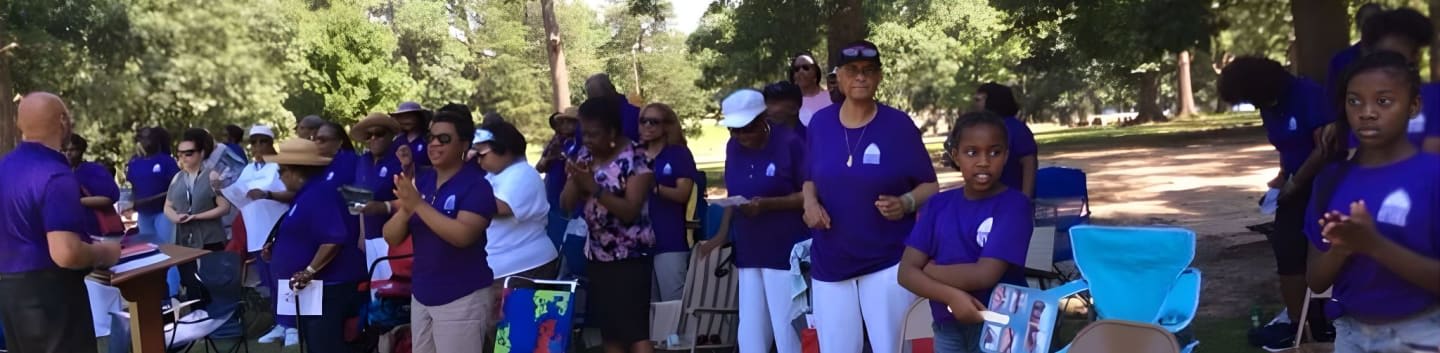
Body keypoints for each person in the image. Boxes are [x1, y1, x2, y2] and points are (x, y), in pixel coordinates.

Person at [802, 40, 940, 353]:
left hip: (887, 260)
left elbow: (930, 186)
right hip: (831, 260)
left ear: (879, 77)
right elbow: (809, 177)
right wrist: (810, 204)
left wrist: (905, 203)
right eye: (852, 70)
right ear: (838, 77)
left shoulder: (898, 125)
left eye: (868, 70)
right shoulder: (820, 124)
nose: (861, 77)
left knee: (892, 347)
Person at [1305, 51, 1440, 353]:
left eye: (1383, 101)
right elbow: (1315, 281)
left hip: (1423, 335)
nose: (1366, 112)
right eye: (1354, 101)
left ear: (1414, 105)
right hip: (1351, 335)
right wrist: (1340, 249)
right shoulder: (1330, 181)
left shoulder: (1433, 176)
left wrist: (1374, 245)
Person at [1218, 56, 1336, 349]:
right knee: (1286, 248)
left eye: (1249, 97)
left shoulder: (1308, 95)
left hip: (1325, 185)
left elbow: (1324, 149)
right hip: (1294, 185)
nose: (1252, 104)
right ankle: (1298, 325)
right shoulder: (1268, 105)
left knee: (1315, 250)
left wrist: (1296, 183)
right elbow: (1285, 145)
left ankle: (1324, 321)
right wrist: (1282, 178)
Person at [898, 111, 1034, 353]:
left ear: (1006, 156)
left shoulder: (1015, 205)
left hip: (1000, 325)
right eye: (972, 152)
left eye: (994, 152)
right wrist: (952, 297)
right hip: (946, 326)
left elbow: (984, 274)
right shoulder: (937, 205)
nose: (983, 161)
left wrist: (929, 271)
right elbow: (906, 273)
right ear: (956, 156)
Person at [0, 92, 121, 353]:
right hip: (52, 297)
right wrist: (105, 252)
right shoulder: (55, 174)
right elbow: (66, 253)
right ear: (63, 121)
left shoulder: (4, 167)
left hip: (10, 293)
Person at [699, 89, 810, 353]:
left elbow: (809, 194)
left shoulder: (790, 143)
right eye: (733, 130)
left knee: (786, 328)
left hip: (784, 249)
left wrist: (768, 204)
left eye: (746, 129)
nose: (740, 136)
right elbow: (733, 194)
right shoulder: (733, 147)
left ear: (763, 119)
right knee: (750, 330)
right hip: (749, 247)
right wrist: (721, 235)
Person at [383, 106, 499, 353]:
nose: (434, 143)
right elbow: (391, 237)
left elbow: (462, 236)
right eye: (431, 137)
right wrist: (406, 209)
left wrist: (417, 204)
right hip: (422, 293)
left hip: (461, 295)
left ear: (464, 145)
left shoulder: (477, 186)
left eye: (444, 138)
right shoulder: (423, 181)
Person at [560, 96, 656, 353]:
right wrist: (575, 179)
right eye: (584, 134)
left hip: (630, 259)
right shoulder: (585, 155)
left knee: (635, 333)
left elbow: (630, 211)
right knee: (610, 333)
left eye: (594, 134)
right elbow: (565, 204)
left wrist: (594, 188)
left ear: (612, 132)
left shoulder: (637, 157)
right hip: (598, 257)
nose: (587, 140)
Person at [264, 138, 367, 352]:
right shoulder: (306, 194)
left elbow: (333, 239)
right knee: (314, 343)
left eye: (281, 171)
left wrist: (309, 271)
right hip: (314, 289)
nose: (279, 176)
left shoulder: (319, 194)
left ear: (296, 172)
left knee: (325, 345)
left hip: (329, 287)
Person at [217, 125, 296, 345]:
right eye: (254, 142)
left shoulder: (279, 166)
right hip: (255, 230)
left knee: (285, 278)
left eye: (263, 141)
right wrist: (221, 189)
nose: (258, 146)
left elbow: (293, 193)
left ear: (272, 143)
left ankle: (293, 325)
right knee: (269, 281)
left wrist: (267, 194)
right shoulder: (249, 169)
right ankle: (280, 322)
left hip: (278, 227)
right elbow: (238, 194)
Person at [473, 120, 560, 282]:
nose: (477, 159)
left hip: (523, 267)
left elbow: (500, 207)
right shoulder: (494, 175)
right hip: (505, 266)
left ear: (504, 150)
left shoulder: (523, 174)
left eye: (481, 154)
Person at [166, 128, 234, 308]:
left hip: (209, 237)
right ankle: (198, 317)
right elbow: (167, 206)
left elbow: (224, 207)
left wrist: (197, 216)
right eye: (180, 154)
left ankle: (220, 317)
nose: (184, 158)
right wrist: (175, 217)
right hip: (184, 239)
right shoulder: (177, 178)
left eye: (189, 153)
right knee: (191, 284)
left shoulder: (211, 175)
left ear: (201, 153)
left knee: (214, 283)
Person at [1356, 7, 1439, 153]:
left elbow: (1432, 155)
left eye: (1396, 56)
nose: (1388, 63)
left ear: (1415, 57)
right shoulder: (1361, 102)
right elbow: (1356, 154)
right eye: (1382, 55)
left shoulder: (1434, 97)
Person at [637, 102, 696, 302]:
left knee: (673, 302)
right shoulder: (634, 154)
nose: (647, 126)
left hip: (669, 238)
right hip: (637, 241)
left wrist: (654, 187)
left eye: (654, 122)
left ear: (667, 126)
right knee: (645, 305)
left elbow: (683, 194)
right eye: (643, 121)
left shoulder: (678, 154)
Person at [351, 113, 404, 285]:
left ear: (390, 135)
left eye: (379, 133)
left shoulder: (400, 160)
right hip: (369, 236)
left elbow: (409, 200)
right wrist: (362, 234)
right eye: (368, 135)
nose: (373, 138)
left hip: (393, 238)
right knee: (376, 289)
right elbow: (359, 201)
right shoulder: (362, 161)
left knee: (394, 289)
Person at [971, 83, 1038, 198]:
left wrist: (1025, 198)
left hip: (1012, 197)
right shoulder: (983, 127)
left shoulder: (1016, 129)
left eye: (978, 100)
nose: (975, 104)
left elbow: (1029, 163)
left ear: (993, 101)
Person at [127, 127, 180, 244]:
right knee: (149, 249)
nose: (145, 141)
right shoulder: (134, 162)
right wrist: (131, 202)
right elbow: (134, 188)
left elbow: (178, 188)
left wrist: (150, 200)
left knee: (167, 249)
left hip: (164, 213)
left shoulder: (167, 161)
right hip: (143, 215)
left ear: (157, 139)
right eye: (142, 138)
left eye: (149, 138)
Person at [538, 107, 582, 247]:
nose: (565, 125)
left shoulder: (582, 146)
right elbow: (540, 167)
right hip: (553, 196)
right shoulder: (558, 143)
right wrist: (550, 158)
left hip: (571, 200)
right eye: (563, 122)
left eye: (570, 122)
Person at [65, 134, 122, 237]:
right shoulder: (59, 172)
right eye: (64, 150)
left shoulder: (94, 171)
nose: (68, 153)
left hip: (97, 230)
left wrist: (75, 202)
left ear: (81, 151)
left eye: (72, 150)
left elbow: (108, 199)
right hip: (71, 232)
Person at [1326, 3, 1384, 92]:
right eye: (1367, 20)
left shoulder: (1394, 57)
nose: (1372, 24)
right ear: (1358, 24)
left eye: (1376, 19)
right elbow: (1332, 95)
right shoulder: (1340, 61)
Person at [586, 73, 642, 141]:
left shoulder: (636, 115)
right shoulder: (587, 120)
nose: (597, 103)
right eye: (593, 100)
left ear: (612, 90)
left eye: (599, 98)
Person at [790, 53, 831, 126]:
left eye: (806, 67)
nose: (801, 71)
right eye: (797, 69)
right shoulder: (789, 102)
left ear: (816, 72)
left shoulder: (831, 97)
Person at [391, 102, 433, 170]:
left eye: (408, 117)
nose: (405, 121)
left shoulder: (428, 139)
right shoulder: (397, 141)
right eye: (401, 117)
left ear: (419, 117)